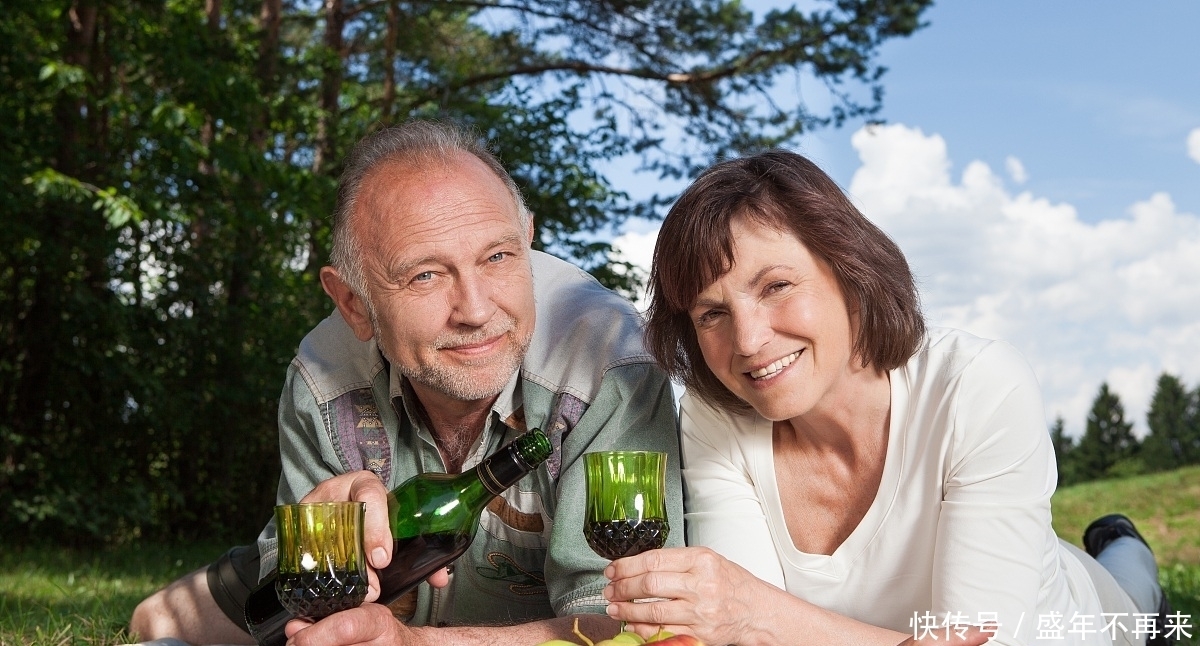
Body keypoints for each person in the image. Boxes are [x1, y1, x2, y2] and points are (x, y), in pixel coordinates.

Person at [129, 120, 684, 646]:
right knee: (153, 620)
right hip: (385, 588)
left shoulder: (612, 364)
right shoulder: (323, 379)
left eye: (497, 256)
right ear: (353, 302)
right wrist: (319, 552)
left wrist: (415, 642)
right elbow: (302, 606)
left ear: (528, 241)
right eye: (425, 275)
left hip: (485, 626)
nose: (474, 308)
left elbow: (624, 626)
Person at [601, 149, 1178, 646]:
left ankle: (1124, 544)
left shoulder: (975, 384)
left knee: (1132, 595)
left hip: (1075, 619)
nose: (748, 341)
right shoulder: (716, 413)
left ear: (849, 272)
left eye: (776, 286)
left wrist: (754, 611)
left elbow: (750, 616)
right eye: (712, 314)